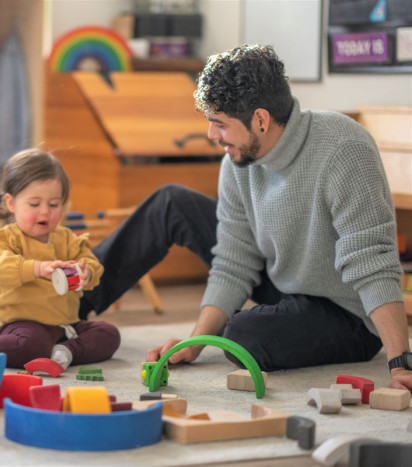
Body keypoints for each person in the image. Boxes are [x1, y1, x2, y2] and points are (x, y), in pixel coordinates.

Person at [77, 44, 412, 391]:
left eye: (219, 124)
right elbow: (233, 260)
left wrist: (400, 363)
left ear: (261, 120)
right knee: (171, 202)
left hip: (347, 316)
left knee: (242, 335)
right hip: (284, 282)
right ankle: (67, 304)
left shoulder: (344, 149)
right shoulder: (237, 163)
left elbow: (371, 259)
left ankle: (255, 325)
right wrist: (197, 341)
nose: (211, 135)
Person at [0, 149, 120, 369]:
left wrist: (87, 271)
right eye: (34, 204)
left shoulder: (66, 238)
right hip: (22, 325)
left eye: (54, 205)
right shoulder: (7, 238)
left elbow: (91, 262)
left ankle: (65, 351)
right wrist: (37, 268)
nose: (45, 212)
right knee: (30, 346)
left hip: (66, 326)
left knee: (109, 334)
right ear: (12, 203)